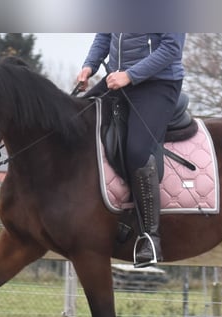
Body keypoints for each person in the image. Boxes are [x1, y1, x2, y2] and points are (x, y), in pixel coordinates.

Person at [76, 33, 186, 268]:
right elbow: (105, 35)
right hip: (117, 80)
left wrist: (130, 75)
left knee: (137, 152)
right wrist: (89, 65)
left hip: (158, 85)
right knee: (77, 123)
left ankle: (150, 238)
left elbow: (171, 48)